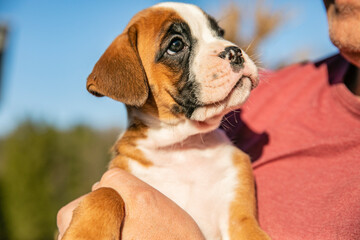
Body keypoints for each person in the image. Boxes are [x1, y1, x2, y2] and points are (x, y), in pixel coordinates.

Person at [57, 0, 360, 239]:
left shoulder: (231, 163)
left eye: (215, 34)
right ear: (132, 80)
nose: (226, 50)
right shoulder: (126, 173)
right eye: (177, 45)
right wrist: (102, 208)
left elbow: (243, 231)